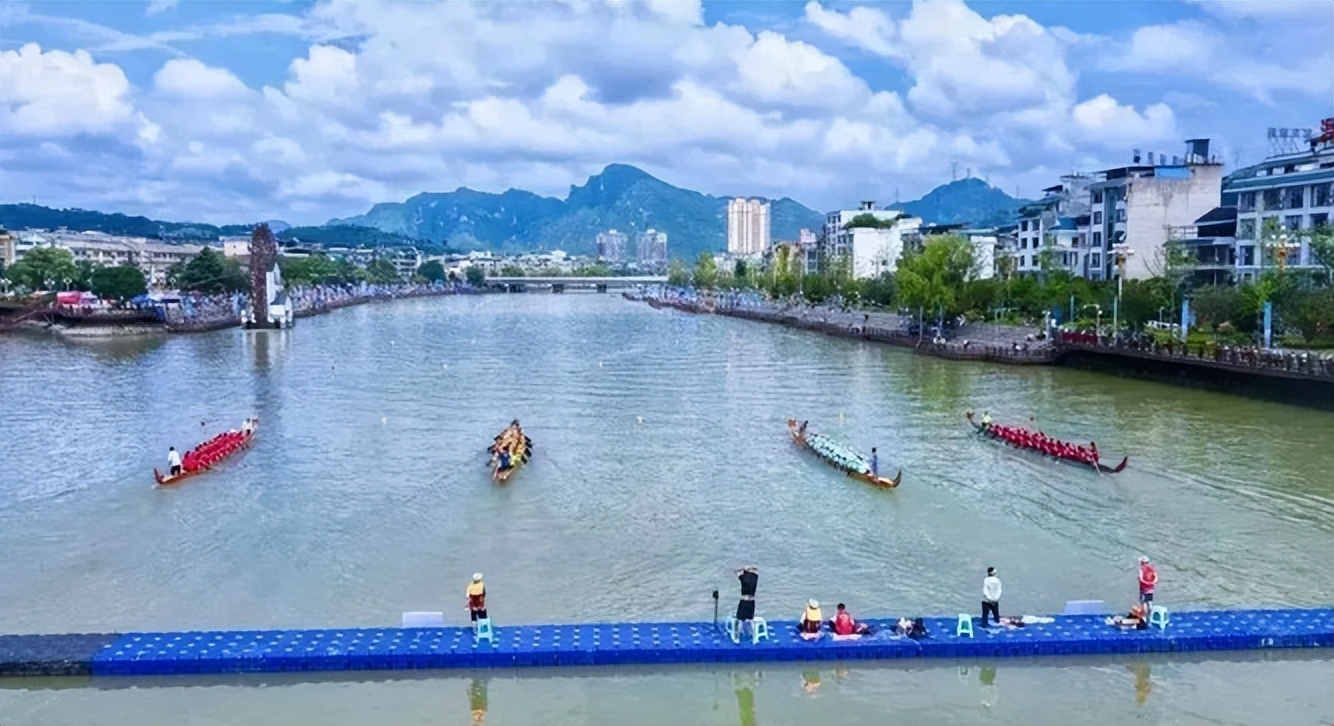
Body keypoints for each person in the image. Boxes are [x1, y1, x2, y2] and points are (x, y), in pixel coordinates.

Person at [735, 566, 759, 639]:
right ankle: (754, 635)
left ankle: (737, 636)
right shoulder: (755, 577)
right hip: (752, 601)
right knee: (750, 619)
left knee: (740, 619)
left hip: (744, 601)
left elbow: (736, 572)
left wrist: (742, 568)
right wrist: (751, 567)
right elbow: (756, 570)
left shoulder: (743, 578)